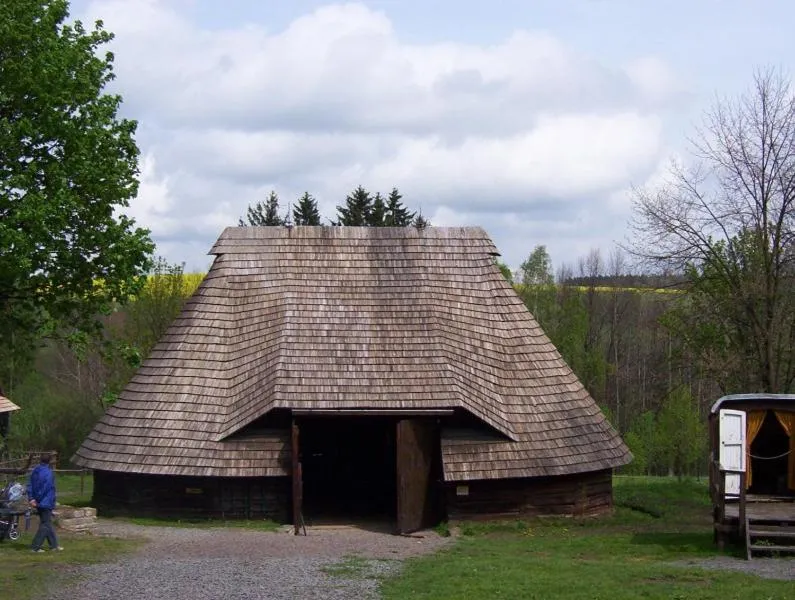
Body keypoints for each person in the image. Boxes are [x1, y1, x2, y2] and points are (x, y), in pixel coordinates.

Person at [26, 454, 62, 552]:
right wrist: (37, 499)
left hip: (37, 501)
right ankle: (35, 547)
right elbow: (46, 488)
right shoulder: (49, 473)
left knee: (47, 522)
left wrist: (31, 498)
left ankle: (54, 545)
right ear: (49, 461)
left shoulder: (35, 471)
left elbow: (29, 484)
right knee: (45, 525)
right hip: (45, 501)